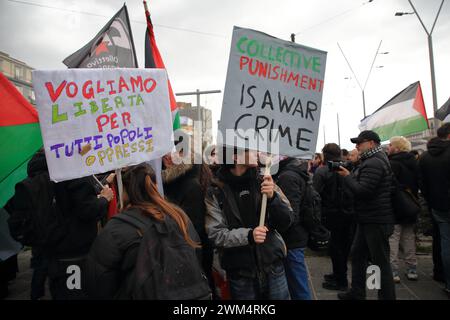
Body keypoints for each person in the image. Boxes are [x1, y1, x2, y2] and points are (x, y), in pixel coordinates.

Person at [83, 163, 204, 299]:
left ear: (125, 191)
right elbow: (196, 252)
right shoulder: (179, 216)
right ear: (156, 185)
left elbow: (97, 280)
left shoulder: (116, 228)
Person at [205, 147, 293, 300]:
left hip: (273, 265)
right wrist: (249, 236)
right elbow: (216, 234)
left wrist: (273, 198)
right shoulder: (215, 191)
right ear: (235, 158)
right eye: (251, 150)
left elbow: (287, 220)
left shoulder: (264, 181)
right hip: (240, 273)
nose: (257, 153)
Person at [337, 130, 396, 300]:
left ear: (371, 143)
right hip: (368, 219)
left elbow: (363, 191)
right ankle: (357, 292)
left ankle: (384, 296)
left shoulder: (374, 162)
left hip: (376, 220)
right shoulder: (372, 160)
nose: (356, 146)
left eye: (359, 143)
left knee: (379, 264)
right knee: (358, 255)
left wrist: (348, 177)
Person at [162, 150, 216, 298]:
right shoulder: (166, 181)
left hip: (192, 256)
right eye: (164, 152)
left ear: (186, 154)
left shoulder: (190, 185)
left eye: (176, 151)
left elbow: (193, 231)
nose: (167, 156)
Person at [314, 143, 355, 291]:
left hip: (330, 214)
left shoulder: (322, 171)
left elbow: (315, 194)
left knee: (336, 248)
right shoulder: (350, 168)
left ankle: (341, 280)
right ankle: (338, 274)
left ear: (325, 154)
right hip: (349, 213)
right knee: (342, 246)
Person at [273, 156, 311, 300]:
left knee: (298, 287)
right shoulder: (290, 172)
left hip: (292, 240)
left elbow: (291, 215)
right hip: (294, 238)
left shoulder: (286, 176)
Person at [419, 123, 450, 297]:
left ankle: (440, 272)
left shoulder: (425, 157)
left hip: (437, 205)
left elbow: (422, 183)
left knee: (442, 240)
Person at [387, 136, 420, 283]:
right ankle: (412, 268)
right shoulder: (415, 162)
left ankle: (393, 270)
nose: (388, 147)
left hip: (396, 205)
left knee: (393, 238)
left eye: (390, 145)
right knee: (409, 237)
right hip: (411, 204)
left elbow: (389, 186)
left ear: (397, 148)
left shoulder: (393, 163)